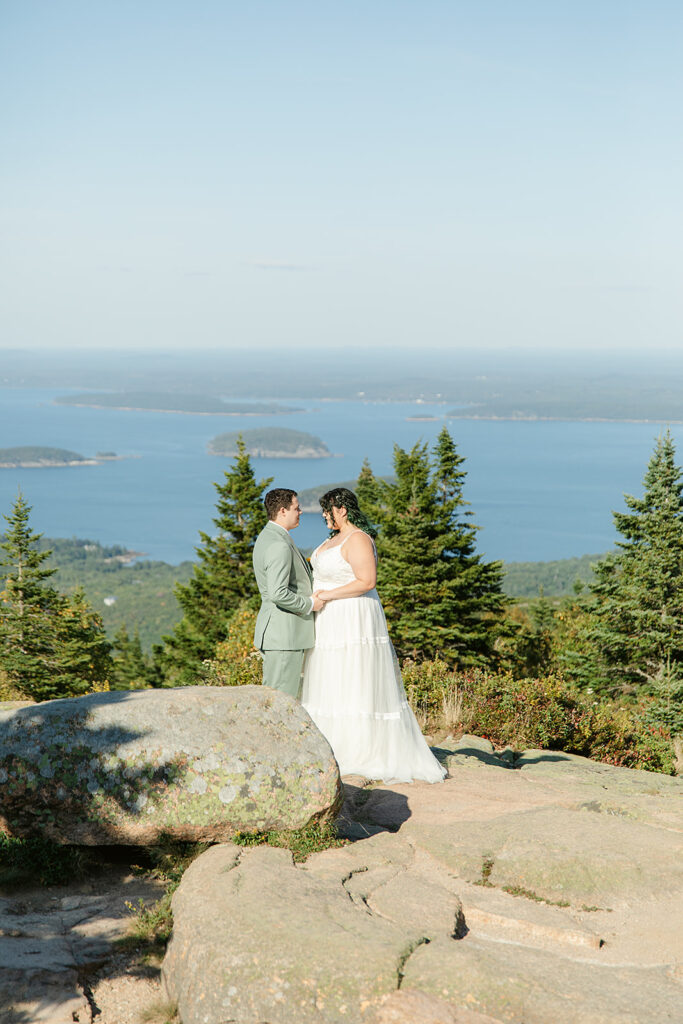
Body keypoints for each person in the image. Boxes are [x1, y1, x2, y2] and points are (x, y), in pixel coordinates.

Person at [301, 487, 446, 783]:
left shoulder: (358, 539)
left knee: (355, 675)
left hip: (352, 616)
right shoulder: (334, 539)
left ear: (341, 509)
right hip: (330, 620)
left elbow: (367, 581)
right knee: (333, 677)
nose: (325, 516)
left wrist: (327, 595)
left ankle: (361, 749)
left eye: (328, 511)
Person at [252, 488, 323, 699]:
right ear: (283, 511)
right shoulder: (278, 545)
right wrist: (309, 604)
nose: (300, 511)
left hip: (280, 634)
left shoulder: (268, 536)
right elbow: (277, 593)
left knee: (278, 697)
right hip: (284, 635)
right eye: (297, 508)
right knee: (281, 700)